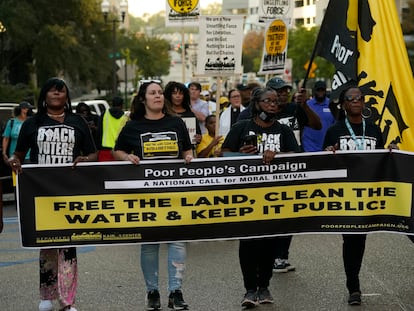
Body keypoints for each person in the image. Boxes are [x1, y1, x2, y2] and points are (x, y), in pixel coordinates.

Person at [8, 77, 97, 311]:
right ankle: (46, 296)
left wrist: (84, 159)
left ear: (67, 97)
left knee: (68, 246)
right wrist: (13, 160)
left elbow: (93, 154)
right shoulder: (32, 123)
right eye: (52, 91)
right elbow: (18, 153)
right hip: (42, 194)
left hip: (70, 193)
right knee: (46, 245)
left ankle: (67, 301)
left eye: (61, 91)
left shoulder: (78, 122)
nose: (57, 94)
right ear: (44, 95)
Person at [113, 81, 193, 311]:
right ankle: (152, 292)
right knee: (149, 244)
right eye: (153, 93)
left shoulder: (176, 123)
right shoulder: (133, 126)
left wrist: (188, 157)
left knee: (177, 241)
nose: (158, 96)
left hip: (174, 191)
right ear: (143, 99)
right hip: (145, 193)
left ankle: (176, 291)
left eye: (160, 93)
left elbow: (187, 149)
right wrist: (127, 158)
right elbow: (117, 150)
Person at [221, 87, 300, 309]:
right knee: (248, 243)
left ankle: (264, 286)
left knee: (269, 242)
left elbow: (296, 155)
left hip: (274, 198)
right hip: (246, 197)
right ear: (257, 104)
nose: (273, 105)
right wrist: (241, 155)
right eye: (268, 101)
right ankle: (249, 289)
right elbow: (224, 154)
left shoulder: (283, 130)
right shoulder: (242, 127)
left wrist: (278, 155)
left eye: (276, 102)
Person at [323, 84, 389, 306]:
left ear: (363, 103)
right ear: (343, 104)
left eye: (359, 98)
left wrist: (391, 154)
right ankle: (354, 286)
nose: (356, 101)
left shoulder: (373, 129)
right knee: (351, 239)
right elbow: (324, 161)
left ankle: (354, 280)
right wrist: (327, 152)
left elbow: (381, 159)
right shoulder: (335, 130)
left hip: (368, 195)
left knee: (360, 240)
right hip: (344, 195)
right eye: (351, 98)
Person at [264, 77, 321, 273]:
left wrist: (304, 105)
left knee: (290, 214)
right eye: (279, 92)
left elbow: (316, 125)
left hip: (293, 169)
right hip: (268, 171)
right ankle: (268, 254)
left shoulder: (294, 110)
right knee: (271, 214)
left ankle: (281, 256)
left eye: (285, 91)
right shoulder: (258, 114)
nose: (283, 95)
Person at [164, 81, 202, 148]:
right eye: (174, 93)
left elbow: (198, 134)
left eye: (181, 93)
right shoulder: (164, 113)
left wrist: (198, 138)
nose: (178, 96)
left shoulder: (190, 114)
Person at [302, 80, 336, 152]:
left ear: (326, 91)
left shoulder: (331, 105)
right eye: (318, 90)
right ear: (314, 91)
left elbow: (335, 125)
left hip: (327, 146)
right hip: (310, 146)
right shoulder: (307, 105)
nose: (320, 92)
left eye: (322, 90)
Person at [97, 96, 128, 161]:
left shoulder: (104, 114)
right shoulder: (125, 117)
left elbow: (99, 131)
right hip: (119, 151)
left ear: (112, 104)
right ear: (122, 105)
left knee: (105, 170)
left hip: (105, 149)